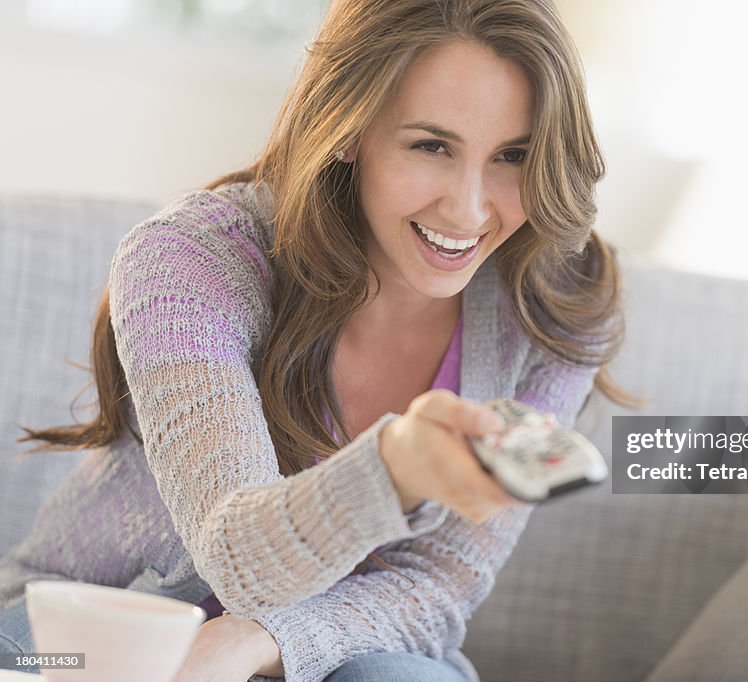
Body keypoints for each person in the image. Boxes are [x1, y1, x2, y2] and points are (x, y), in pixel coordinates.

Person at [0, 0, 626, 679]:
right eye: (430, 146)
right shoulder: (191, 259)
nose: (469, 209)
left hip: (352, 649)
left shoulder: (557, 305)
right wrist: (394, 468)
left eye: (514, 155)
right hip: (96, 625)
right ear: (350, 129)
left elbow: (444, 584)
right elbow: (233, 554)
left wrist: (257, 641)